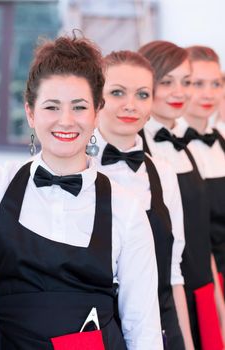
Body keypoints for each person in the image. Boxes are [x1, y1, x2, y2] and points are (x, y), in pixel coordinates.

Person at [0, 34, 162, 349]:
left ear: (95, 113)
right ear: (31, 113)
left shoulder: (125, 207)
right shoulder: (1, 183)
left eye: (79, 107)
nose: (65, 120)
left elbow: (143, 327)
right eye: (51, 107)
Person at [93, 50, 192, 349]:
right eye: (117, 92)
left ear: (151, 105)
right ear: (97, 99)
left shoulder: (164, 172)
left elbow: (174, 272)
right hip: (97, 331)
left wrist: (186, 343)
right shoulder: (74, 169)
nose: (130, 105)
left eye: (142, 94)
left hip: (162, 329)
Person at [138, 40, 224, 349]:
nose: (179, 92)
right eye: (167, 81)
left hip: (201, 288)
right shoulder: (135, 150)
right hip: (164, 294)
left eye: (185, 82)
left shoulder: (185, 146)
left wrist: (216, 302)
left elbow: (200, 235)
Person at [179, 46, 225, 302]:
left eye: (216, 84)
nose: (208, 93)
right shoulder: (164, 147)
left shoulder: (222, 141)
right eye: (197, 83)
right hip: (192, 280)